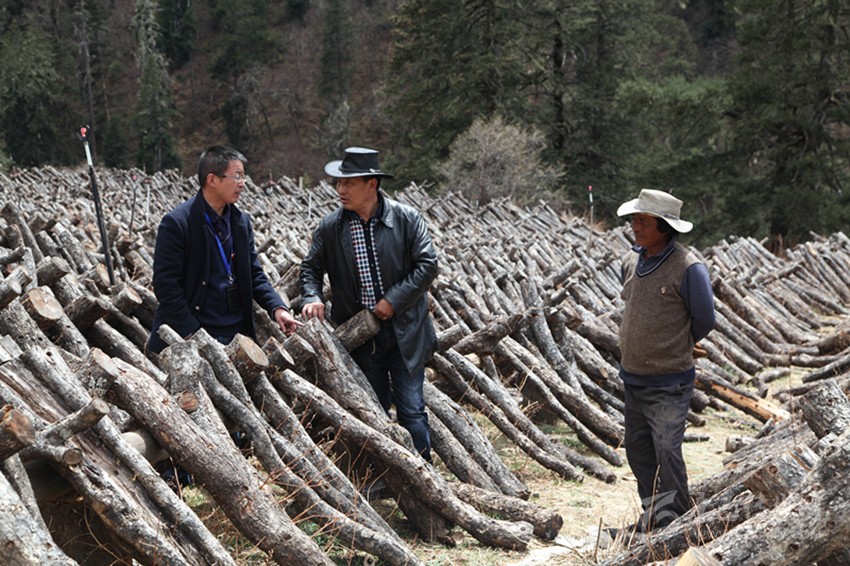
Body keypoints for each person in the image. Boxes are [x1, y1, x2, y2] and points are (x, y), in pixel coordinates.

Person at [300, 146, 438, 462]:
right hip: (362, 337)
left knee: (412, 410)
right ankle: (382, 477)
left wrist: (394, 300)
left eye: (348, 183)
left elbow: (428, 265)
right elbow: (310, 268)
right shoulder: (331, 227)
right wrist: (312, 296)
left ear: (371, 185)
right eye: (339, 182)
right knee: (372, 411)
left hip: (406, 331)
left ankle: (425, 475)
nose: (341, 189)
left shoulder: (406, 219)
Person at [615, 189, 715, 533]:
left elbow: (704, 319)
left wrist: (677, 344)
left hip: (669, 381)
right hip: (634, 377)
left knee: (667, 450)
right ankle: (655, 517)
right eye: (634, 219)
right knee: (638, 451)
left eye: (643, 221)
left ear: (664, 227)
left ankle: (678, 526)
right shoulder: (631, 261)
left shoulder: (688, 268)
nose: (635, 226)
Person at [147, 145, 300, 354]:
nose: (242, 183)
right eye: (236, 176)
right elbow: (165, 285)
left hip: (236, 333)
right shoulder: (178, 223)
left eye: (243, 176)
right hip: (191, 333)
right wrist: (193, 333)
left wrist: (277, 308)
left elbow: (253, 273)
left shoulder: (240, 221)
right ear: (212, 179)